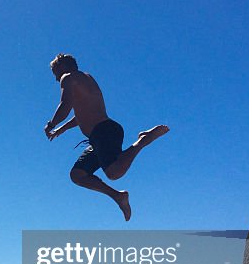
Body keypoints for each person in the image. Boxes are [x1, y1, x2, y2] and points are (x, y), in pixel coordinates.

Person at [43, 53, 169, 221]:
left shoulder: (68, 77)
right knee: (78, 175)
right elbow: (81, 114)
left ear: (63, 67)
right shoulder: (85, 79)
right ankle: (118, 196)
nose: (56, 79)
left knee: (114, 173)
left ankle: (142, 141)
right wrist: (61, 129)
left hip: (104, 132)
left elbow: (65, 106)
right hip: (100, 136)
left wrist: (51, 125)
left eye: (55, 73)